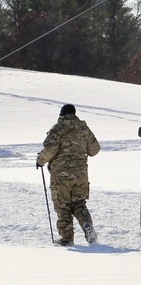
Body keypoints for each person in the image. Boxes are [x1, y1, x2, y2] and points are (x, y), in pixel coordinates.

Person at [36, 104, 100, 245]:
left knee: (62, 205)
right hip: (81, 174)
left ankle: (67, 238)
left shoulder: (58, 128)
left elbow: (50, 148)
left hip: (61, 174)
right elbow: (95, 149)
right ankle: (87, 226)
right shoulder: (83, 128)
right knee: (79, 203)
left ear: (61, 115)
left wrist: (40, 160)